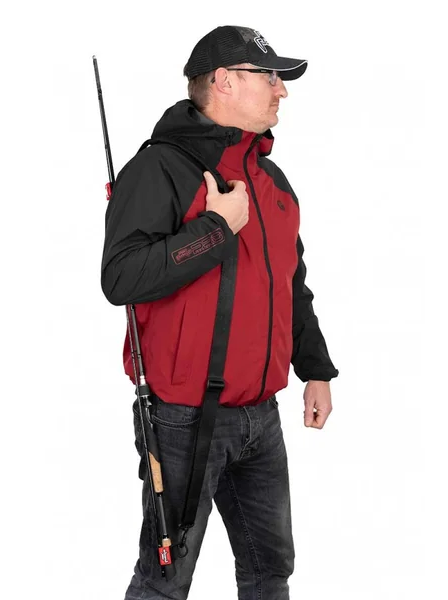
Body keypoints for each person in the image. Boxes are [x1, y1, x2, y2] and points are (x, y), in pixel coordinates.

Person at [101, 24, 339, 600]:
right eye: (270, 77)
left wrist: (315, 369)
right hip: (183, 419)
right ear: (225, 81)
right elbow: (121, 277)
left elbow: (291, 285)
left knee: (270, 571)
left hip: (262, 417)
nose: (282, 90)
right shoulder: (158, 169)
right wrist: (216, 228)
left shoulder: (272, 182)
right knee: (165, 580)